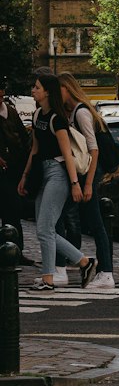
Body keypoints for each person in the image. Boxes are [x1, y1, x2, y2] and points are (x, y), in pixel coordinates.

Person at [16, 69, 96, 292]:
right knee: (45, 230)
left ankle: (52, 277)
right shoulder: (37, 115)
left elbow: (67, 155)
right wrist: (25, 176)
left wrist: (74, 183)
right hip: (42, 173)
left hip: (58, 175)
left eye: (37, 87)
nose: (33, 90)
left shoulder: (57, 120)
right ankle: (82, 263)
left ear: (47, 92)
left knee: (44, 228)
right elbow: (34, 149)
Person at [57, 75, 116, 289]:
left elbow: (94, 148)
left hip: (90, 172)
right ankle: (92, 268)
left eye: (58, 90)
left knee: (96, 222)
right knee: (89, 220)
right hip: (85, 172)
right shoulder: (72, 112)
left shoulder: (81, 112)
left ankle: (106, 272)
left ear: (67, 89)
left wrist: (88, 183)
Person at [0, 78, 30, 255]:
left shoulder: (10, 112)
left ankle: (15, 250)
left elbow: (22, 138)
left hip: (12, 169)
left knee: (12, 211)